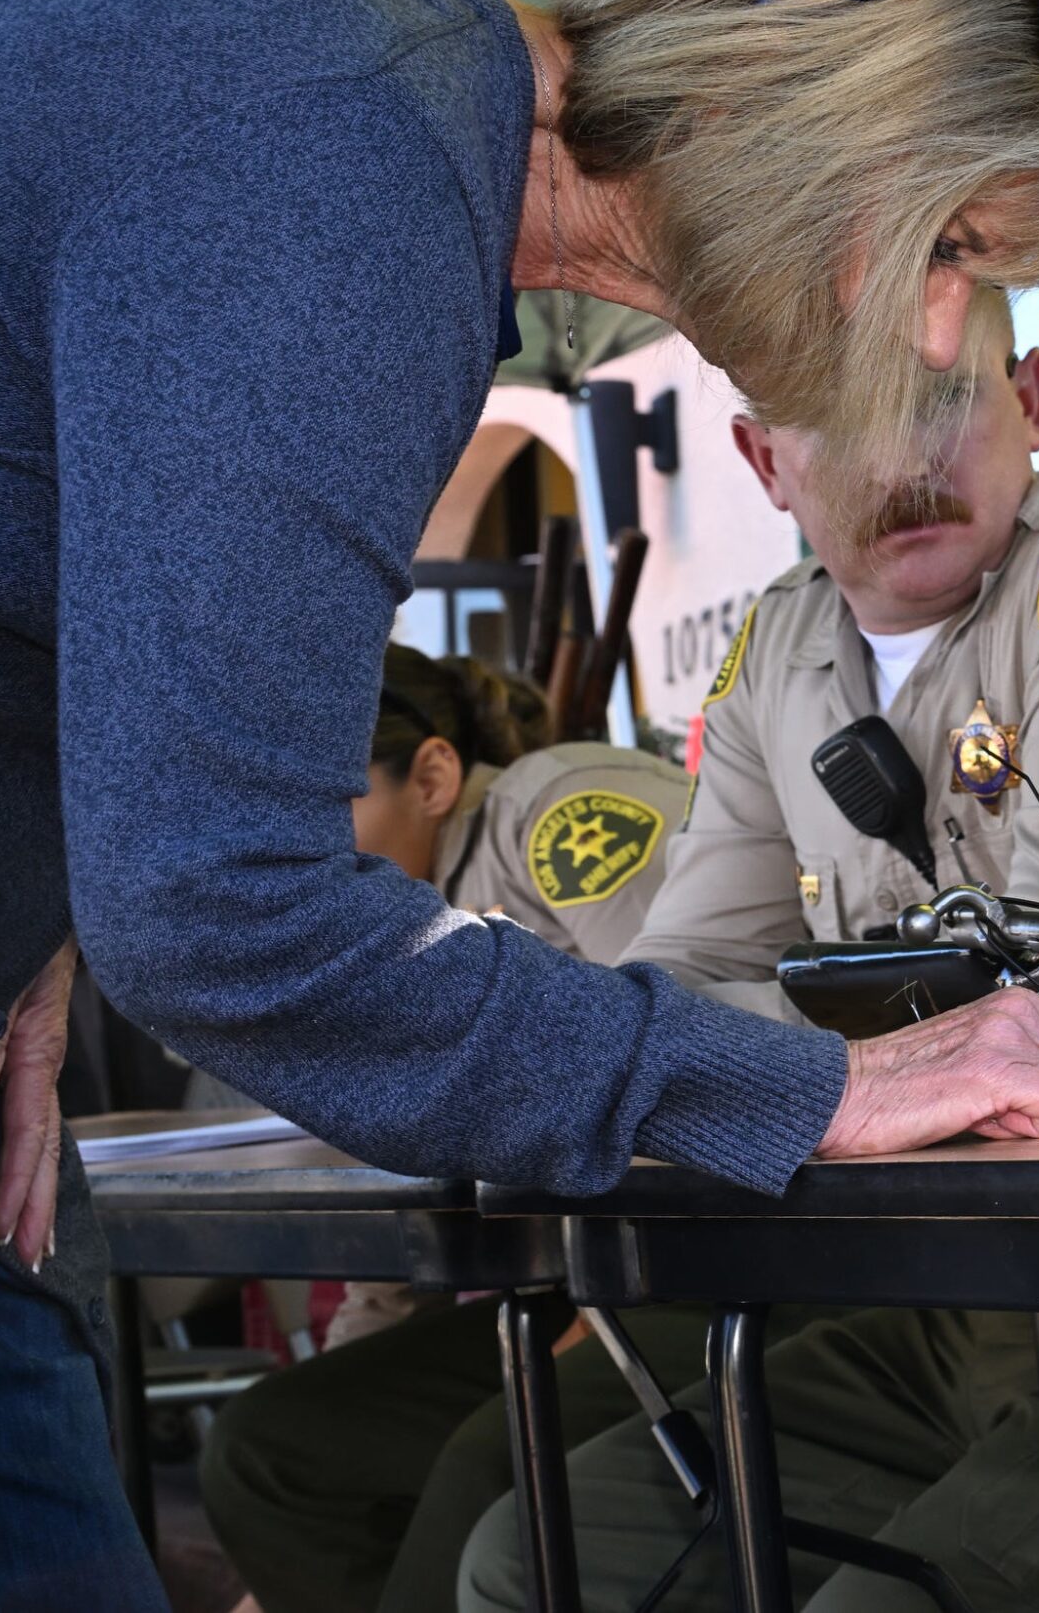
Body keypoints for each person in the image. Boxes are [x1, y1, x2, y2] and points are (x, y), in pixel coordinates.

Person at [0, 0, 1039, 1608]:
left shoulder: (367, 93)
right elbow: (219, 910)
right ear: (810, 118)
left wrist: (11, 908)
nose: (932, 338)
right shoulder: (339, 172)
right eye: (954, 247)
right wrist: (799, 1088)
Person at [460, 290, 1039, 1613]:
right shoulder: (781, 647)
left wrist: (788, 1048)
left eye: (943, 399)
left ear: (1026, 402)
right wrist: (832, 1058)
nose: (905, 461)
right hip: (958, 1296)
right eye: (841, 415)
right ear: (765, 460)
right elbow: (667, 993)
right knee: (538, 1556)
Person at [198, 645, 732, 1613]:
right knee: (269, 1452)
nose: (304, 853)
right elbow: (400, 1164)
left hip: (702, 1264)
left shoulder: (562, 810)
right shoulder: (386, 927)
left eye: (332, 812)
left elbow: (693, 1051)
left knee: (487, 1467)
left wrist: (592, 1311)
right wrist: (359, 1353)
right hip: (566, 1285)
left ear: (434, 776)